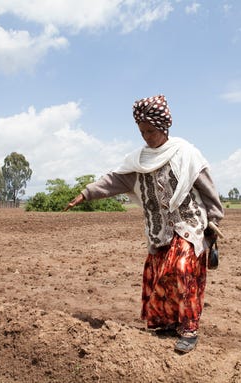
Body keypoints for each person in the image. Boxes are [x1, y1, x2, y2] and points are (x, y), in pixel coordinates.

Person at [65, 94, 224, 353]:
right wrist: (86, 193)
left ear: (163, 127)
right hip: (159, 230)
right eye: (142, 131)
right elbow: (112, 181)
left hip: (189, 225)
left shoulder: (186, 153)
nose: (146, 136)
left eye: (150, 130)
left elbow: (207, 188)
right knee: (162, 275)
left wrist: (214, 220)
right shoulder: (139, 162)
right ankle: (170, 322)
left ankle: (190, 328)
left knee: (183, 268)